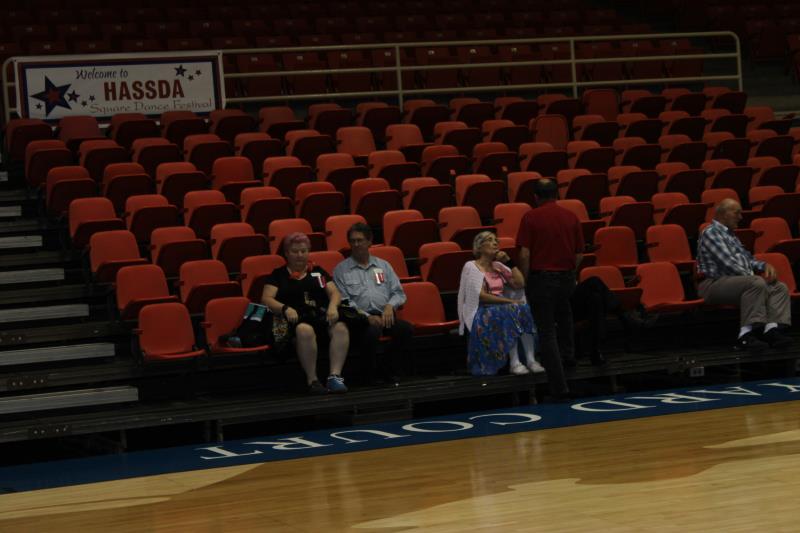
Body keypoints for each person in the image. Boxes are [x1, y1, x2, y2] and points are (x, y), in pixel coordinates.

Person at [516, 178, 583, 400]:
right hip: (566, 277)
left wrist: (525, 280)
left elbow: (525, 253)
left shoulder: (531, 217)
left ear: (535, 197)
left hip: (542, 278)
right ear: (557, 194)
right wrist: (570, 273)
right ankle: (569, 358)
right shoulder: (571, 216)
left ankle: (559, 388)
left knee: (547, 332)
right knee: (565, 317)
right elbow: (579, 253)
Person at [696, 198, 792, 352]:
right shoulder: (711, 233)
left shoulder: (731, 236)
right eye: (737, 213)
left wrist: (764, 265)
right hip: (713, 284)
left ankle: (771, 330)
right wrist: (756, 278)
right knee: (756, 283)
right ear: (724, 214)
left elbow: (748, 259)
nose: (740, 217)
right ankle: (745, 335)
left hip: (736, 282)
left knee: (779, 287)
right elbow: (728, 263)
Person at [262, 232, 350, 394]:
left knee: (341, 328)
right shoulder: (278, 275)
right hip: (293, 320)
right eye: (295, 251)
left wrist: (332, 307)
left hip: (318, 317)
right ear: (286, 253)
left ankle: (335, 377)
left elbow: (335, 293)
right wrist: (285, 308)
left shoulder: (317, 272)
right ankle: (313, 380)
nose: (300, 255)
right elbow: (266, 299)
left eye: (303, 251)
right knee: (305, 330)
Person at [333, 223, 412, 385]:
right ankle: (368, 375)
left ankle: (387, 366)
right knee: (372, 331)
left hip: (385, 314)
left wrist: (390, 306)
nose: (356, 244)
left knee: (405, 329)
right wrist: (367, 317)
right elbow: (344, 301)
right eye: (352, 241)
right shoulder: (341, 270)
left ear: (369, 241)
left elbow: (398, 293)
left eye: (360, 240)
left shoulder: (384, 266)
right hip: (358, 319)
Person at [457, 231, 542, 376]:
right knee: (508, 311)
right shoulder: (471, 266)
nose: (495, 243)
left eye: (496, 240)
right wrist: (510, 301)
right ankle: (515, 363)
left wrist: (509, 262)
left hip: (502, 307)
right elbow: (481, 296)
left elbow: (520, 283)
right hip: (481, 310)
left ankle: (531, 360)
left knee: (523, 309)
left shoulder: (498, 266)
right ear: (479, 247)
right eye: (490, 240)